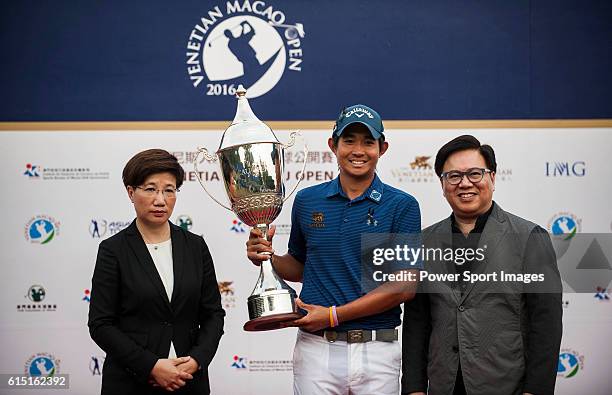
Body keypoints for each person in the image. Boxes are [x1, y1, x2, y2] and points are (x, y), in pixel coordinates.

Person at [247, 104, 421, 394]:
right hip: (317, 348)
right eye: (349, 140)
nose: (358, 150)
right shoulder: (307, 200)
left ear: (383, 148)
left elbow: (404, 286)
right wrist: (268, 259)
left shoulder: (402, 205)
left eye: (368, 142)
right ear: (333, 145)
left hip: (378, 350)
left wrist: (333, 315)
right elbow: (302, 267)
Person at [401, 135, 563, 395]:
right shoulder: (424, 241)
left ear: (493, 178)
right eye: (453, 176)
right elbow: (416, 324)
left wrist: (536, 390)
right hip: (444, 384)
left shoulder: (530, 237)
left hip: (507, 384)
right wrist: (414, 389)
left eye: (475, 173)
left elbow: (546, 325)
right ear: (442, 185)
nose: (465, 183)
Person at [88, 149, 225, 395]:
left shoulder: (195, 246)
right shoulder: (113, 250)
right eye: (150, 189)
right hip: (131, 383)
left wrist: (195, 361)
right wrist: (150, 366)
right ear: (131, 192)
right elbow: (101, 324)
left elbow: (213, 314)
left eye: (169, 190)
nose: (160, 200)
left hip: (189, 381)